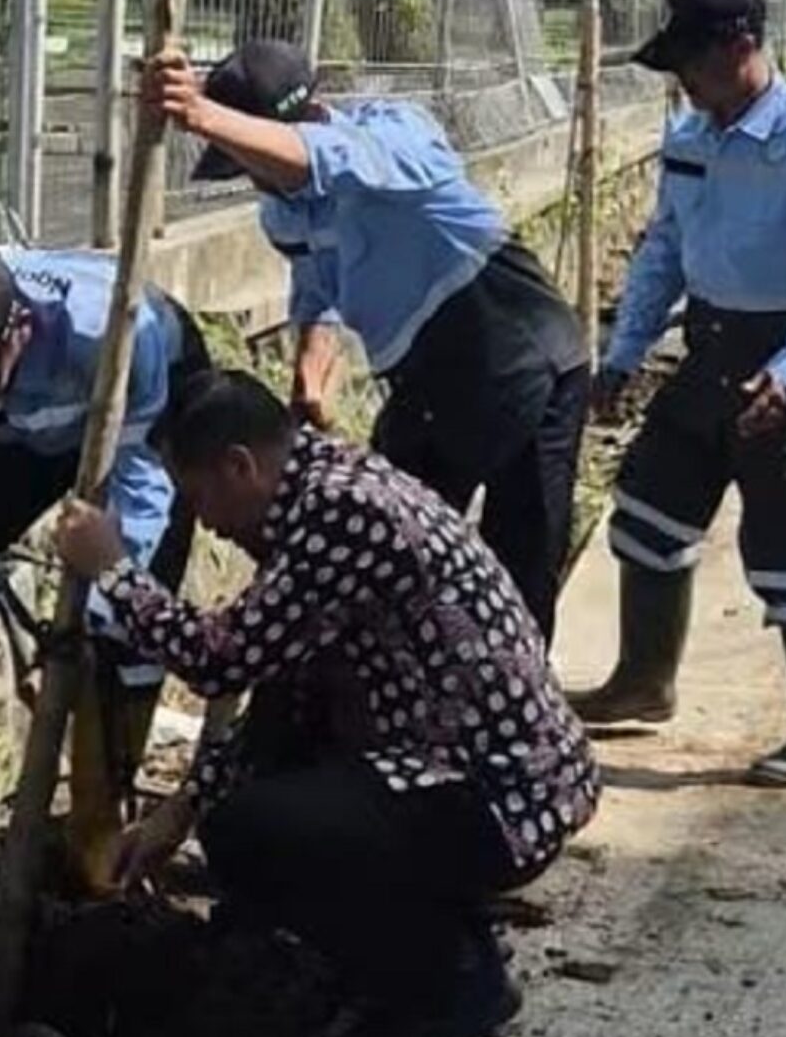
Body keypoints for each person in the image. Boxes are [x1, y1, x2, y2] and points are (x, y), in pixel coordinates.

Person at [52, 369, 601, 1037]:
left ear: (240, 466)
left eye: (198, 499)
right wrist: (181, 809)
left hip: (501, 798)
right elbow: (278, 694)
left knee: (252, 832)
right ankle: (421, 940)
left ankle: (453, 987)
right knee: (255, 798)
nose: (208, 523)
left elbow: (222, 661)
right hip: (463, 776)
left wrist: (115, 571)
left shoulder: (343, 514)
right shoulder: (324, 488)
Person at [142, 40, 589, 639]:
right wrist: (312, 365)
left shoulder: (396, 134)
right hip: (425, 380)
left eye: (248, 156)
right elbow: (316, 286)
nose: (253, 178)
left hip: (517, 346)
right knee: (380, 542)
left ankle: (516, 713)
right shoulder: (284, 212)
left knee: (519, 564)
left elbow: (334, 159)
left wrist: (202, 116)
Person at [568, 0, 786, 787]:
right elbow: (663, 249)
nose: (684, 83)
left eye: (692, 65)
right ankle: (643, 681)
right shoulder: (692, 136)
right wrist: (626, 352)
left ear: (740, 47)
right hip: (708, 348)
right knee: (648, 512)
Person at [0, 248, 210, 887]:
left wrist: (98, 605)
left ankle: (97, 830)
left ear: (19, 335)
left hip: (132, 412)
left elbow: (143, 496)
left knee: (128, 626)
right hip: (2, 433)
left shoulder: (117, 333)